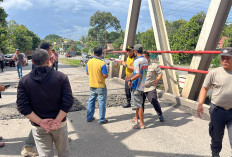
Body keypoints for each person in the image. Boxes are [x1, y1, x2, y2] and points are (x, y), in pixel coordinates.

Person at [17, 49, 74, 157]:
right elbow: (68, 101)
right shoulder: (61, 77)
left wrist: (40, 121)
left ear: (32, 61)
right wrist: (57, 120)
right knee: (64, 153)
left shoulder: (24, 81)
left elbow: (22, 106)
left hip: (39, 126)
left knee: (45, 154)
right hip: (60, 124)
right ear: (49, 60)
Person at [197, 47, 232, 157]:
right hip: (217, 110)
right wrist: (200, 104)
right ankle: (215, 154)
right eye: (223, 58)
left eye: (228, 58)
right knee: (216, 137)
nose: (225, 60)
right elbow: (204, 88)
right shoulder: (214, 73)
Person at [86, 47, 108, 124]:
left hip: (92, 85)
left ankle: (89, 117)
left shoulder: (89, 62)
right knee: (101, 102)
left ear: (94, 53)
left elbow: (87, 73)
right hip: (100, 85)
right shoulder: (102, 63)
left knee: (91, 101)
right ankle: (101, 119)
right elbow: (105, 75)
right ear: (101, 54)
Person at [128, 44, 148, 129]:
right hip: (142, 85)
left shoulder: (137, 61)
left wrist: (130, 80)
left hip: (136, 85)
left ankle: (142, 123)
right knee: (138, 103)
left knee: (139, 105)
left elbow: (138, 74)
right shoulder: (145, 60)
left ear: (135, 51)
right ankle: (136, 118)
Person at [142, 51, 164, 122]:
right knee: (140, 103)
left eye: (144, 58)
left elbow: (160, 73)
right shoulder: (140, 66)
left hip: (150, 87)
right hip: (141, 87)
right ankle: (140, 116)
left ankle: (160, 114)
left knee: (153, 100)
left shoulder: (154, 65)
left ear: (148, 57)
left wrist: (157, 80)